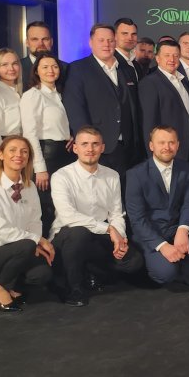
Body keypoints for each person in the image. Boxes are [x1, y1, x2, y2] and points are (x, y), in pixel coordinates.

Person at [49, 126, 145, 306]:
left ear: (102, 147)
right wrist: (109, 229)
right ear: (75, 148)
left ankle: (89, 269)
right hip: (67, 236)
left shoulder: (112, 176)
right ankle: (73, 289)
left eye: (95, 144)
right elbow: (68, 216)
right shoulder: (61, 176)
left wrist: (119, 238)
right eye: (84, 144)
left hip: (98, 235)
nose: (90, 149)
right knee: (79, 233)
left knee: (134, 261)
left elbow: (116, 213)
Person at [126, 125, 189, 288]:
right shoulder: (136, 174)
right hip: (151, 232)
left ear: (178, 145)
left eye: (171, 142)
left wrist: (183, 230)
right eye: (161, 143)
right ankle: (167, 266)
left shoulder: (186, 168)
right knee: (166, 274)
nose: (167, 147)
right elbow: (137, 219)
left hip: (175, 226)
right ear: (151, 146)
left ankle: (187, 268)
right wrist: (162, 246)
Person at [0, 135, 54, 312]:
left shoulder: (29, 186)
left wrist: (35, 243)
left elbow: (35, 220)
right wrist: (36, 240)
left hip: (21, 249)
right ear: (1, 155)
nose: (19, 155)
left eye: (24, 152)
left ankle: (12, 284)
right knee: (26, 245)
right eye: (12, 150)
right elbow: (1, 231)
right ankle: (0, 287)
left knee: (43, 274)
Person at [63, 23, 141, 175]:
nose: (106, 44)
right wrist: (87, 144)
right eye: (101, 40)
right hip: (98, 147)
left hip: (128, 147)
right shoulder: (78, 69)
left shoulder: (127, 69)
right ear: (91, 42)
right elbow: (75, 108)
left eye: (110, 40)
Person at [19, 53, 72, 236]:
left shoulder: (60, 94)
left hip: (65, 154)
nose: (51, 70)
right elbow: (30, 134)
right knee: (46, 206)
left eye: (55, 66)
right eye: (45, 67)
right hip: (46, 155)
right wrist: (40, 168)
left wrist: (70, 136)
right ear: (36, 71)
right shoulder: (32, 95)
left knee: (63, 203)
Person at [139, 40, 189, 162]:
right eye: (167, 55)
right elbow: (149, 123)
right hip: (165, 152)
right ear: (157, 58)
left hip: (188, 149)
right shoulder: (150, 83)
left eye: (175, 55)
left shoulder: (183, 81)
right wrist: (153, 158)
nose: (172, 59)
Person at [19, 21, 68, 89]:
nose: (40, 44)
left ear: (51, 42)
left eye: (45, 39)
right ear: (27, 42)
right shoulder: (17, 68)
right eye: (35, 39)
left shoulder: (66, 68)